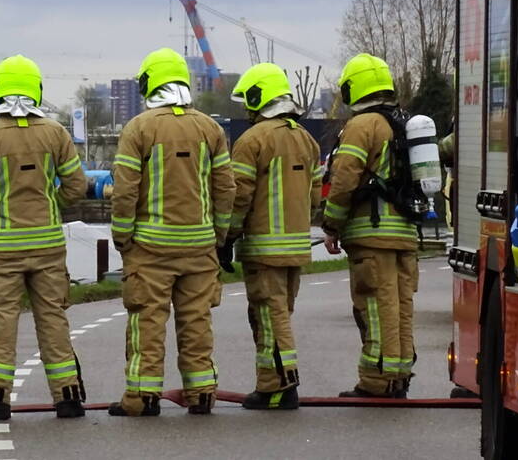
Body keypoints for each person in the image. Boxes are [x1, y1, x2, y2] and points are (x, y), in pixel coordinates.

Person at [0, 55, 88, 421]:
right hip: (48, 247)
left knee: (1, 324)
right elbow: (77, 185)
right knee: (53, 320)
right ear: (36, 90)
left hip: (5, 247)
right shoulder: (55, 132)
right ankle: (68, 398)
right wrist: (51, 208)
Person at [108, 48, 236, 417]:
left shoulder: (139, 128)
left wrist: (123, 238)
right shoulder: (210, 128)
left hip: (150, 248)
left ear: (150, 83)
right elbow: (226, 188)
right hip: (200, 247)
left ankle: (142, 398)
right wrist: (219, 235)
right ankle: (202, 395)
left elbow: (127, 189)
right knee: (196, 322)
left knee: (147, 321)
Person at [225, 63, 322, 410]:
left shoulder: (251, 140)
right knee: (279, 314)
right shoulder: (306, 139)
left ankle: (281, 386)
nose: (247, 111)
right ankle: (271, 384)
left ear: (258, 97)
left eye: (249, 103)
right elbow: (315, 196)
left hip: (264, 248)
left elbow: (239, 196)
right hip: (297, 247)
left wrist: (227, 236)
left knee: (269, 315)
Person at [322, 53, 419, 399]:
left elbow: (345, 176)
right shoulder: (404, 121)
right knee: (401, 308)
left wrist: (331, 223)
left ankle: (378, 381)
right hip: (406, 233)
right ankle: (399, 377)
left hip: (371, 234)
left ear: (354, 88)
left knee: (375, 309)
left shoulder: (363, 126)